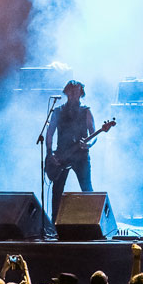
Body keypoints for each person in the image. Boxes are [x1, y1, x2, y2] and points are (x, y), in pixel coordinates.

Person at [45, 80, 96, 220]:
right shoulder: (57, 111)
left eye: (77, 91)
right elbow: (49, 133)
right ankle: (54, 224)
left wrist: (89, 144)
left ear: (81, 93)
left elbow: (94, 134)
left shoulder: (86, 111)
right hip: (61, 155)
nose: (74, 94)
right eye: (71, 91)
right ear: (66, 92)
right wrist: (49, 154)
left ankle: (93, 220)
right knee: (57, 191)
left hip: (81, 156)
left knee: (86, 188)